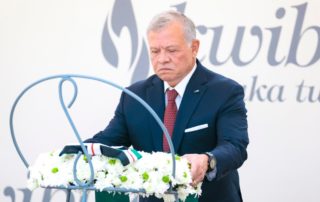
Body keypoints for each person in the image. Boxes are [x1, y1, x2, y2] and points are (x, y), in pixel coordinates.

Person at [85, 10, 249, 202]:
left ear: (194, 47)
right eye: (155, 51)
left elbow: (235, 146)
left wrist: (207, 160)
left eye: (172, 50)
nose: (162, 59)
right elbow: (107, 141)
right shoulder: (134, 96)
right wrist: (71, 154)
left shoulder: (224, 92)